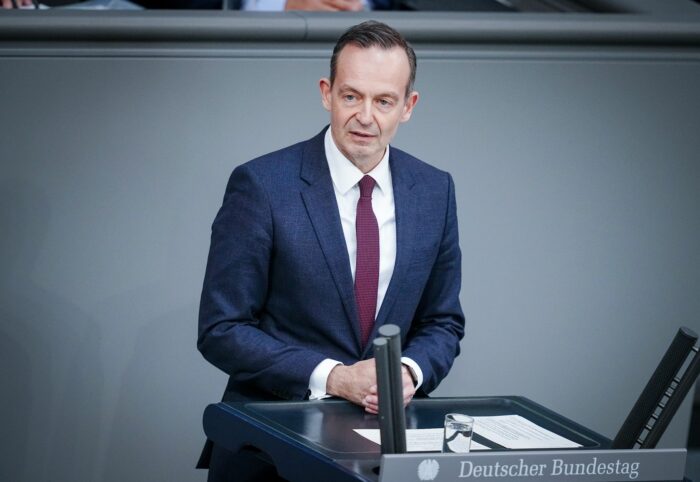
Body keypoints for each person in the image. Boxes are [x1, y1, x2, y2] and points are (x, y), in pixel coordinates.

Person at [197, 20, 465, 482]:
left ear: (408, 106)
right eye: (351, 96)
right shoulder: (261, 185)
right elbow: (222, 328)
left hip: (383, 455)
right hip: (270, 454)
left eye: (384, 101)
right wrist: (336, 377)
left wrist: (406, 372)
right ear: (327, 93)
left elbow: (443, 321)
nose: (365, 116)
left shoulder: (434, 190)